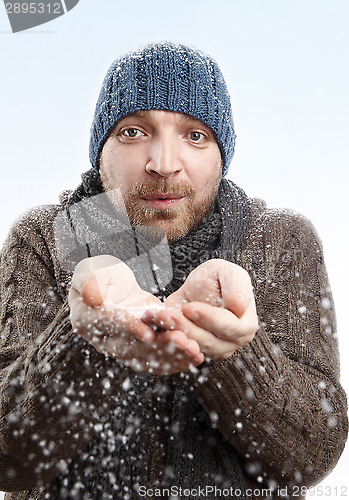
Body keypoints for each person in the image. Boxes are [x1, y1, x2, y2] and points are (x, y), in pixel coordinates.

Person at [0, 41, 347, 500]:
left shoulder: (280, 240)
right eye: (132, 132)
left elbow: (312, 455)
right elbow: (9, 462)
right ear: (99, 149)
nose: (163, 164)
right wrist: (80, 340)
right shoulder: (44, 237)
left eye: (195, 135)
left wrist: (233, 354)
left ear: (222, 155)